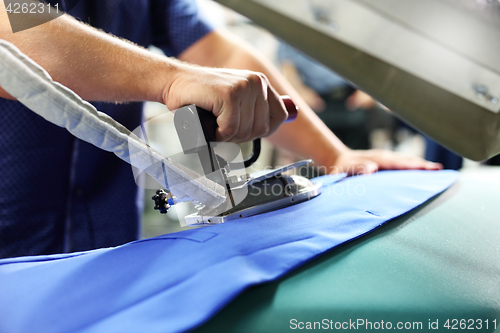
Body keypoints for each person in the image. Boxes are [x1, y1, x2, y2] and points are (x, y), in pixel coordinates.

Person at [0, 0, 441, 258]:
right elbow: (20, 38)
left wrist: (335, 156)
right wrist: (172, 79)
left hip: (108, 250)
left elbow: (225, 58)